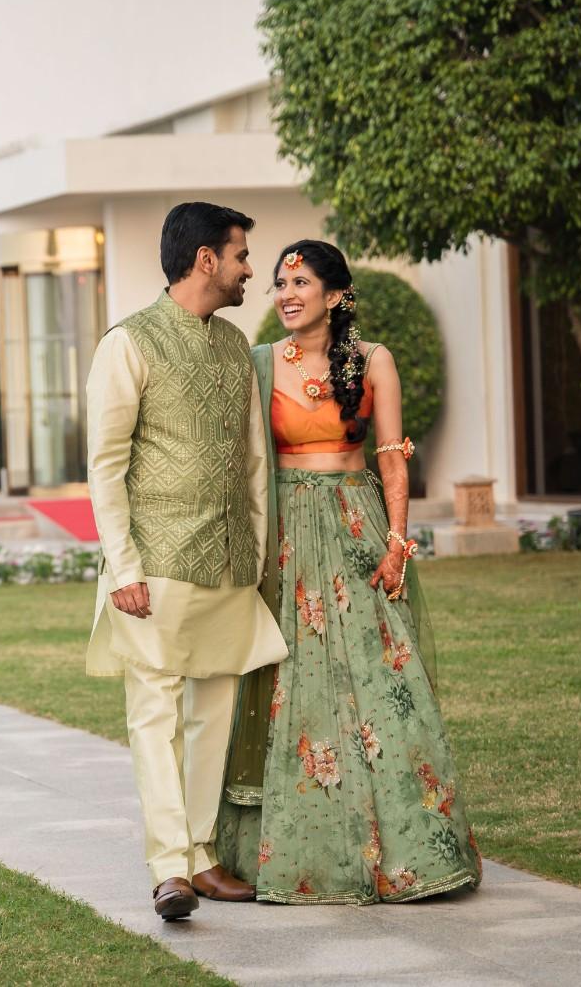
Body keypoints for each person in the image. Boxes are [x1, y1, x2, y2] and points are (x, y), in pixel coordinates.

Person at [216, 239, 482, 903]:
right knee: (290, 681)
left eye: (300, 282)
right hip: (284, 537)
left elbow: (391, 456)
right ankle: (295, 854)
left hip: (356, 527)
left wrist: (397, 543)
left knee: (380, 675)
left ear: (335, 295)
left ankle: (410, 852)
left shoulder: (373, 360)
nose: (286, 294)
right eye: (280, 283)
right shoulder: (256, 363)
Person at [85, 202, 288, 921]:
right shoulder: (128, 342)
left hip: (229, 562)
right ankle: (168, 867)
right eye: (240, 256)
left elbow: (255, 462)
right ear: (206, 259)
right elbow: (105, 466)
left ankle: (201, 857)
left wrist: (256, 556)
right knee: (154, 714)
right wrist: (123, 568)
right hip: (155, 565)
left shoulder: (234, 345)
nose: (248, 271)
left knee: (215, 713)